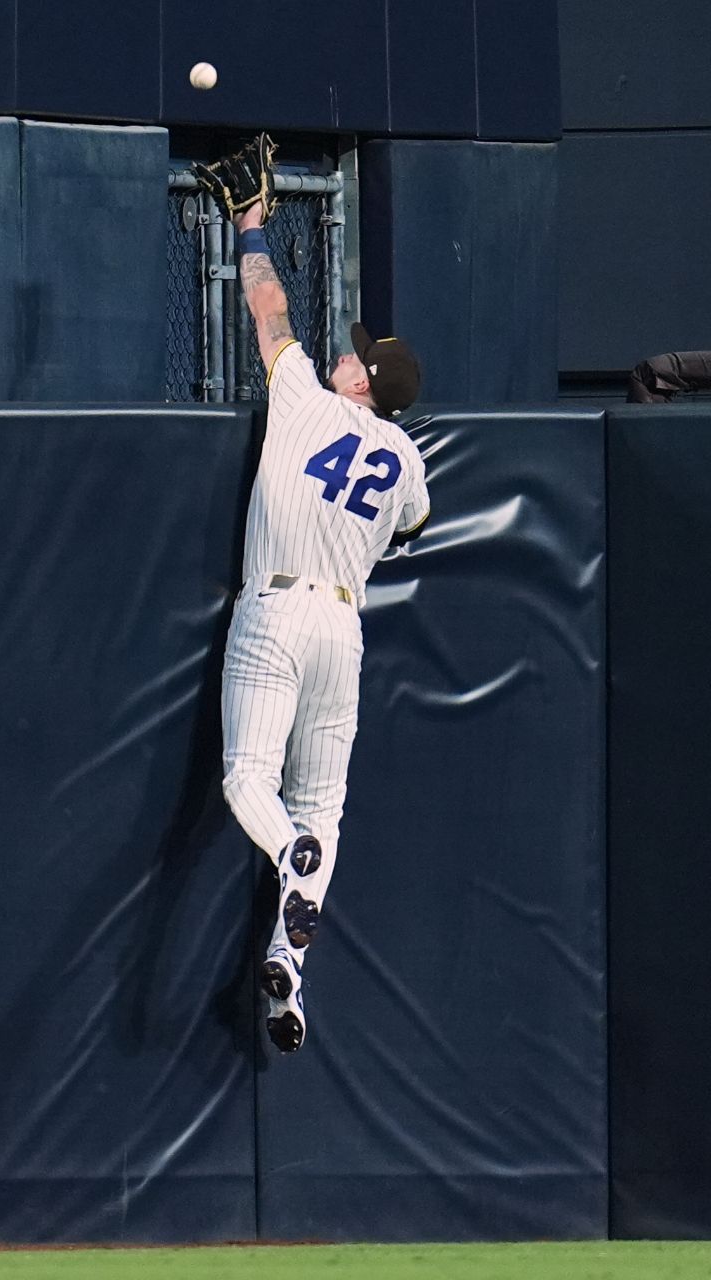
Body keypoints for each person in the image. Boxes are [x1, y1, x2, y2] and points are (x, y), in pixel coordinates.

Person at [220, 198, 429, 1054]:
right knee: (326, 808)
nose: (347, 351)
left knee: (248, 784)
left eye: (359, 355)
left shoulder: (303, 394)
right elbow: (412, 521)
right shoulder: (408, 461)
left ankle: (290, 855)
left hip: (275, 607)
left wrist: (250, 228)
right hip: (343, 631)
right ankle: (287, 973)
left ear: (361, 383)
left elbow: (267, 307)